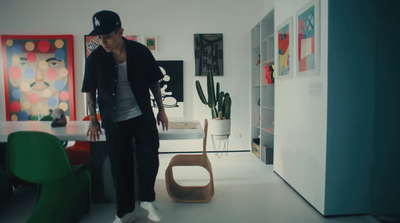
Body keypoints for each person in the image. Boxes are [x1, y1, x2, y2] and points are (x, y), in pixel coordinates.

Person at [82, 10, 168, 223]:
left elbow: (154, 82)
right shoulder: (95, 59)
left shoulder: (140, 52)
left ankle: (147, 199)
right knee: (120, 167)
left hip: (141, 115)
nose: (103, 42)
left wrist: (161, 109)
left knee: (149, 157)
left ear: (120, 32)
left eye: (107, 36)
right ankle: (124, 213)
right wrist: (93, 120)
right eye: (99, 37)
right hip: (113, 120)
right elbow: (90, 91)